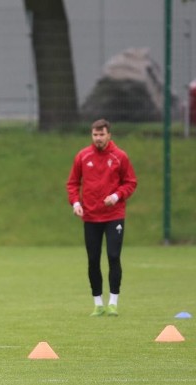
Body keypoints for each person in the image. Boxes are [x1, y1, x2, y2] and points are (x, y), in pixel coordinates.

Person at [66, 119, 137, 317]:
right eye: (95, 135)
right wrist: (76, 203)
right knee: (93, 259)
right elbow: (72, 183)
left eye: (101, 135)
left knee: (113, 256)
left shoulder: (119, 156)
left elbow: (130, 182)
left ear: (109, 135)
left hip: (114, 215)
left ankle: (113, 301)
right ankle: (98, 302)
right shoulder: (83, 156)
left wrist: (116, 196)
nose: (98, 138)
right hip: (90, 215)